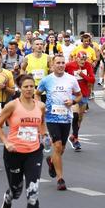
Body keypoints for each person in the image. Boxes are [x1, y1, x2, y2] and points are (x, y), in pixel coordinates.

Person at [0, 74, 47, 208]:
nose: (29, 89)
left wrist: (44, 136)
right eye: (26, 86)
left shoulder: (40, 106)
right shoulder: (12, 105)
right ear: (19, 88)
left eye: (32, 86)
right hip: (14, 152)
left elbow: (42, 123)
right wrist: (7, 142)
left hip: (34, 152)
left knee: (33, 193)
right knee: (17, 190)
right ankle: (8, 198)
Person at [37, 55, 82, 191]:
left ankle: (51, 161)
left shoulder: (71, 79)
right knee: (57, 146)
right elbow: (37, 93)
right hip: (51, 117)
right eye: (58, 63)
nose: (61, 65)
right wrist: (40, 105)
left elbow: (79, 95)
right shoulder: (47, 80)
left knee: (61, 149)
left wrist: (73, 101)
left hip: (66, 117)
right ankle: (60, 179)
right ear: (52, 65)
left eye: (63, 63)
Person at [64, 51, 95, 151]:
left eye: (84, 59)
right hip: (73, 94)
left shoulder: (88, 65)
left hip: (84, 94)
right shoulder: (69, 65)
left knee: (80, 119)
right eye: (81, 59)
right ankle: (76, 140)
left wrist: (81, 74)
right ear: (76, 58)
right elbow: (61, 73)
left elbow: (92, 80)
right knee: (75, 115)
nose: (83, 61)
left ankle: (73, 136)